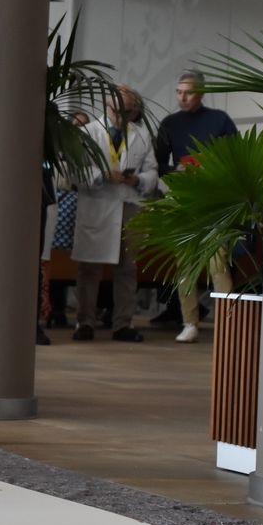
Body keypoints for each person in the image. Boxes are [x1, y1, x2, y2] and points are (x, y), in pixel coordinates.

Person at [154, 69, 238, 343]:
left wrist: (210, 167)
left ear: (201, 92)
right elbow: (158, 164)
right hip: (183, 197)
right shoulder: (169, 123)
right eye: (178, 92)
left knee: (218, 263)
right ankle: (189, 321)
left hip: (214, 198)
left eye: (188, 92)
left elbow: (235, 156)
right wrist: (175, 169)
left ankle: (228, 323)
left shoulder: (219, 120)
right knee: (185, 263)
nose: (183, 97)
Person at [71, 86, 158, 342]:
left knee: (128, 269)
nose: (121, 116)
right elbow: (76, 171)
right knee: (89, 268)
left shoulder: (141, 135)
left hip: (129, 204)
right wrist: (103, 175)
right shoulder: (89, 133)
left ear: (135, 112)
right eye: (116, 110)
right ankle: (84, 322)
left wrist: (138, 180)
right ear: (106, 106)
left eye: (127, 112)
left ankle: (123, 324)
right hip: (98, 204)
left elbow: (153, 172)